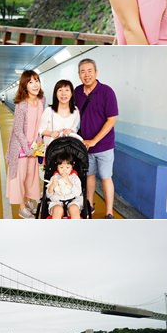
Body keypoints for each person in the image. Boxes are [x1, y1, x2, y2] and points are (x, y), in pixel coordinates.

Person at [74, 58, 118, 219]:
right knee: (89, 176)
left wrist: (95, 141)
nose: (86, 75)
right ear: (79, 75)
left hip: (104, 146)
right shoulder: (76, 92)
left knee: (106, 177)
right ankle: (89, 205)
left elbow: (111, 119)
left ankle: (109, 211)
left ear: (96, 72)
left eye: (89, 71)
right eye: (83, 72)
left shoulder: (107, 91)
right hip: (84, 145)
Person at [5, 70, 46, 219]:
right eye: (30, 82)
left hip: (36, 146)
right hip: (21, 147)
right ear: (25, 86)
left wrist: (39, 147)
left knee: (31, 176)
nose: (35, 85)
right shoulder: (21, 104)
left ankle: (27, 201)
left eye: (37, 81)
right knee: (19, 178)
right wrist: (28, 149)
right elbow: (17, 129)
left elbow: (42, 125)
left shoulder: (42, 100)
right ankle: (22, 208)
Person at [39, 79, 80, 151]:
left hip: (69, 151)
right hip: (51, 151)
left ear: (71, 93)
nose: (63, 93)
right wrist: (51, 133)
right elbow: (40, 129)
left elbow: (75, 128)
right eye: (60, 90)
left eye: (67, 90)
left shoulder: (75, 110)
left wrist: (70, 131)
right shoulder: (49, 110)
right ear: (56, 93)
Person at [45, 152, 83, 219]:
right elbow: (48, 195)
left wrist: (69, 183)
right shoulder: (54, 178)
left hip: (73, 201)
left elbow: (78, 193)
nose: (64, 170)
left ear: (72, 168)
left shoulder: (74, 178)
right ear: (57, 167)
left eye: (67, 167)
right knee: (57, 210)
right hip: (57, 202)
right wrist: (52, 186)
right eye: (61, 167)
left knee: (74, 209)